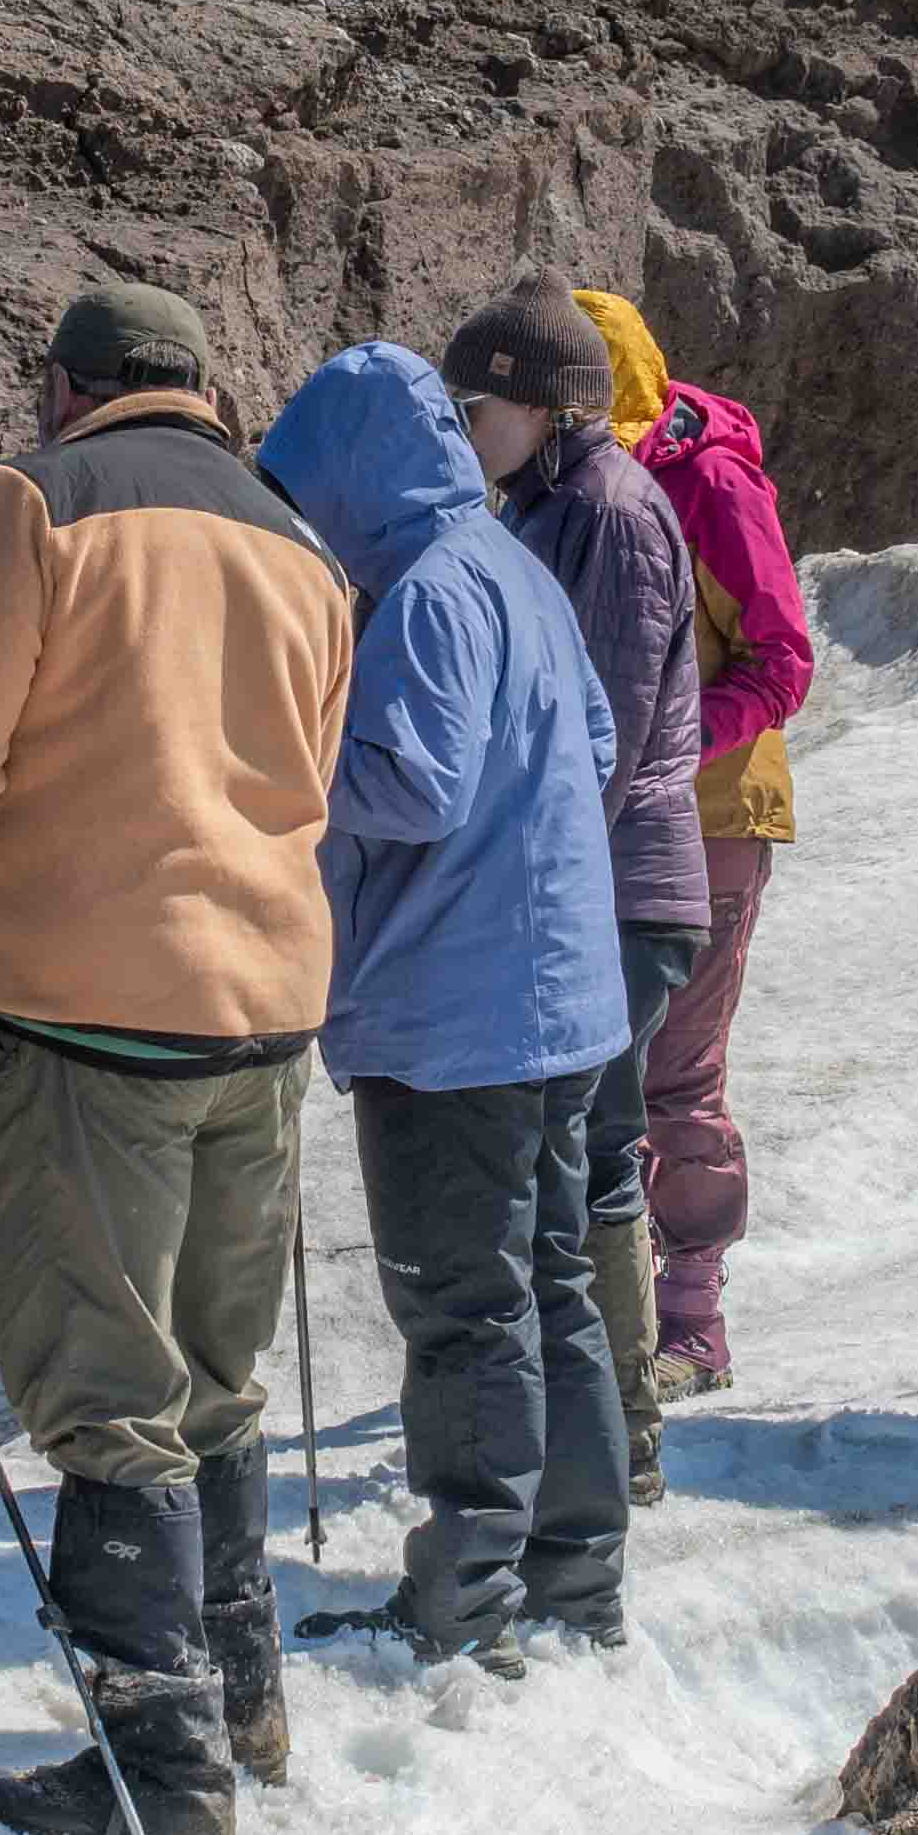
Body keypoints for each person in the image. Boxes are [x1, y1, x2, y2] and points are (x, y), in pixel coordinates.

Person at [0, 279, 355, 1835]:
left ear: (65, 389)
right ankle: (240, 1706)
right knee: (211, 1373)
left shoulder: (24, 509)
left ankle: (154, 1781)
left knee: (107, 1399)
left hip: (88, 1024)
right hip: (265, 1012)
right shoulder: (302, 545)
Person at [253, 337, 636, 1670]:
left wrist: (284, 754)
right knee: (551, 1286)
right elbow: (593, 742)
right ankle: (574, 1575)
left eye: (305, 491)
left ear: (352, 475)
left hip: (458, 1014)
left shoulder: (420, 590)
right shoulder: (513, 566)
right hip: (556, 995)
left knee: (464, 1304)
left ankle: (465, 1603)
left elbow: (413, 786)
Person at [443, 281, 706, 1485]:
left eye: (478, 401)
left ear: (545, 403)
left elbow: (593, 730)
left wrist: (520, 872)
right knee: (582, 1146)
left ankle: (618, 1447)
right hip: (597, 889)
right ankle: (600, 1441)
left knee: (590, 1150)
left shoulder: (605, 510)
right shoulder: (550, 503)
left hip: (617, 890)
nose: (464, 423)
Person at [583, 286, 814, 1395]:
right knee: (592, 1067)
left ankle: (691, 1320)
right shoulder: (554, 487)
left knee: (676, 1071)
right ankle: (607, 1311)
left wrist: (656, 745)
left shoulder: (710, 482)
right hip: (595, 815)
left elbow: (783, 661)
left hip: (710, 818)